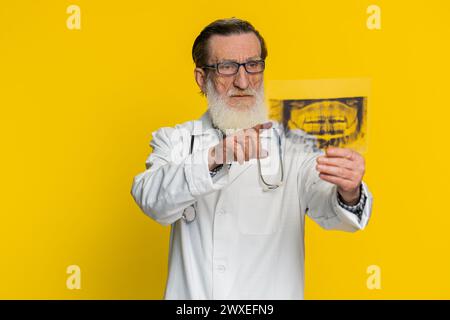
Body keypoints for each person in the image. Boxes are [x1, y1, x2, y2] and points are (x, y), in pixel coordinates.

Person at [131, 18, 373, 300]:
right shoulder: (176, 140)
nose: (243, 81)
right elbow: (151, 199)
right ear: (202, 77)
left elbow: (330, 209)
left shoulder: (296, 146)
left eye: (252, 65)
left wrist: (349, 190)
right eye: (227, 67)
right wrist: (214, 156)